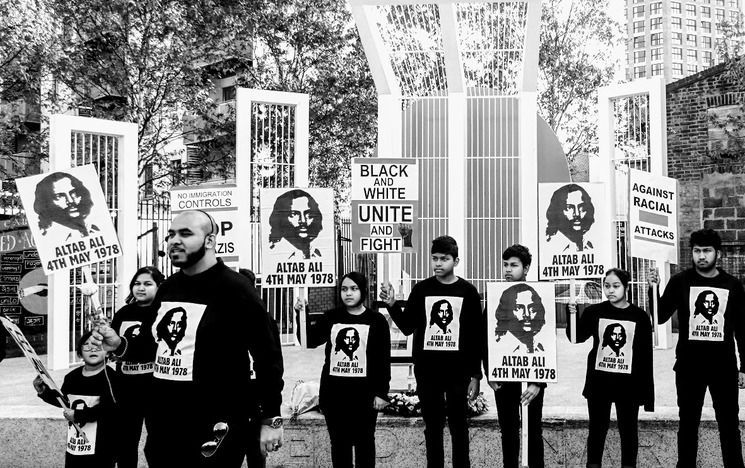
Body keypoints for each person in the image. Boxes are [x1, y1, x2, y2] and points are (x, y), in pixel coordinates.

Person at [91, 210, 285, 467]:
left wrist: (271, 417)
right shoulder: (169, 287)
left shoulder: (236, 289)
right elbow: (153, 342)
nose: (174, 241)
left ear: (210, 241)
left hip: (216, 428)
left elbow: (267, 357)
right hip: (165, 427)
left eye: (185, 233)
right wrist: (119, 344)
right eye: (171, 234)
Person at [380, 235, 482, 468]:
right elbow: (407, 326)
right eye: (434, 258)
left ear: (456, 261)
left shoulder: (468, 292)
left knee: (459, 427)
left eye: (444, 259)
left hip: (458, 372)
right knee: (433, 428)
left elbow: (475, 337)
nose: (438, 263)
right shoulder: (422, 289)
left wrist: (476, 376)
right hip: (428, 373)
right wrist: (393, 304)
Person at [648, 228, 745, 468]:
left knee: (729, 426)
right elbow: (659, 316)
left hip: (724, 368)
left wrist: (744, 367)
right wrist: (653, 290)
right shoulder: (680, 281)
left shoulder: (732, 285)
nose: (701, 256)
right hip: (689, 368)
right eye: (697, 251)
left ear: (718, 254)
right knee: (688, 425)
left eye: (707, 251)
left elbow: (743, 329)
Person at [294, 271, 391, 468]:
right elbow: (309, 341)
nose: (348, 293)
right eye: (344, 289)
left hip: (365, 395)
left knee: (365, 444)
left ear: (363, 291)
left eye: (354, 289)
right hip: (334, 395)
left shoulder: (376, 321)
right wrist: (300, 314)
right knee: (339, 446)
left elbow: (383, 359)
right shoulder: (331, 317)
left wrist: (382, 393)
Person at [568, 268, 654, 468]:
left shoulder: (639, 316)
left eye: (616, 286)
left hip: (628, 386)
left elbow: (645, 358)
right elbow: (576, 337)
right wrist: (571, 313)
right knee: (597, 431)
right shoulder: (594, 312)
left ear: (626, 287)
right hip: (599, 384)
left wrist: (647, 395)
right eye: (607, 286)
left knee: (629, 432)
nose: (611, 290)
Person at [484, 244, 546, 468]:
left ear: (526, 268)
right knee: (508, 432)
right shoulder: (495, 299)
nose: (508, 269)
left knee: (533, 432)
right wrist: (490, 373)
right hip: (503, 378)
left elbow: (546, 344)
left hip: (531, 381)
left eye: (514, 265)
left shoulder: (539, 295)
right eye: (505, 265)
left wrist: (538, 382)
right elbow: (486, 338)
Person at [33, 332, 122, 468]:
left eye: (98, 345)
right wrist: (43, 392)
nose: (92, 349)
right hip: (76, 443)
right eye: (86, 345)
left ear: (108, 353)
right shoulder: (72, 377)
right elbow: (64, 402)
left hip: (103, 446)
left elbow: (111, 409)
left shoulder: (112, 378)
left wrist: (78, 415)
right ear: (79, 354)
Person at [110, 266, 165, 468]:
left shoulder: (163, 313)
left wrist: (121, 347)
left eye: (147, 284)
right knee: (125, 443)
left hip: (155, 388)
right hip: (125, 388)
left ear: (160, 287)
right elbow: (112, 344)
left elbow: (151, 347)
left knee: (157, 445)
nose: (140, 288)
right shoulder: (123, 312)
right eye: (137, 283)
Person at [33, 172, 100, 241]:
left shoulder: (95, 230)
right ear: (46, 203)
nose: (70, 201)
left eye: (74, 192)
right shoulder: (49, 238)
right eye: (60, 196)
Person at [268, 189, 323, 259]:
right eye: (294, 214)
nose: (303, 221)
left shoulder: (317, 254)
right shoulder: (275, 255)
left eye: (308, 214)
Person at [494, 282, 547, 353]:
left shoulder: (541, 348)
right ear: (505, 312)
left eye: (532, 308)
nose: (527, 314)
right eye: (518, 308)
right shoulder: (499, 348)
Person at [545, 183, 595, 252]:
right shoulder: (552, 246)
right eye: (569, 208)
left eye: (581, 207)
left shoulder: (590, 246)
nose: (577, 214)